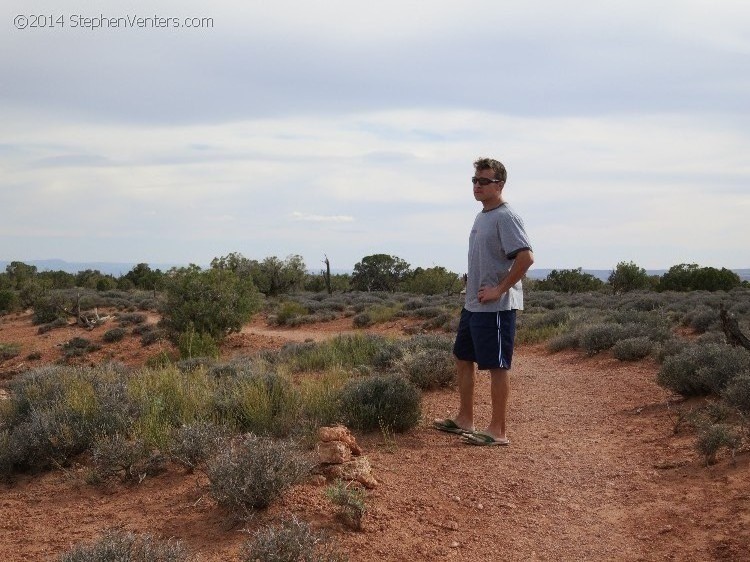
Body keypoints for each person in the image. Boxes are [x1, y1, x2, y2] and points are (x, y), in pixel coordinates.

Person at [433, 157, 534, 446]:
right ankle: (465, 418)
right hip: (474, 305)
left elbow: (526, 258)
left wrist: (500, 289)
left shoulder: (506, 216)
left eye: (484, 181)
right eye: (475, 181)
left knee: (496, 366)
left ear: (499, 184)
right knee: (462, 358)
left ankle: (498, 430)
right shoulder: (482, 215)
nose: (477, 186)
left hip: (496, 308)